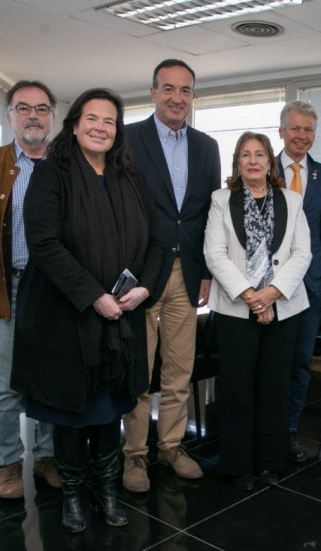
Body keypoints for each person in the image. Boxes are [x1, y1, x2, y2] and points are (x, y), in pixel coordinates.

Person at [10, 88, 163, 532]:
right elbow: (44, 244)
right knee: (73, 414)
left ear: (118, 132)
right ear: (74, 124)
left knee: (110, 409)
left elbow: (156, 241)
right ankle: (74, 495)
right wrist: (94, 295)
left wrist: (145, 288)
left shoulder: (130, 177)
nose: (101, 127)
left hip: (123, 320)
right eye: (92, 118)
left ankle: (108, 489)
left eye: (110, 121)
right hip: (68, 316)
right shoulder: (51, 173)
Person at [122, 59, 220, 493]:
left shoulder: (207, 146)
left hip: (188, 271)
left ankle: (172, 446)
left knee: (179, 370)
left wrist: (207, 273)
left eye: (185, 90)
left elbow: (208, 215)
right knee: (139, 371)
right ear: (153, 92)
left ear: (193, 96)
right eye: (168, 89)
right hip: (142, 270)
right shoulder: (127, 139)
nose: (177, 97)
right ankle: (135, 456)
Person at [204, 132, 312, 490]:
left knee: (274, 385)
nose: (253, 160)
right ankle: (237, 465)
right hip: (238, 307)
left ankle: (270, 462)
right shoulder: (221, 200)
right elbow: (214, 254)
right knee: (237, 387)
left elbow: (302, 253)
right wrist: (251, 295)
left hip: (283, 306)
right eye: (245, 154)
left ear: (270, 162)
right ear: (237, 162)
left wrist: (272, 294)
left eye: (260, 154)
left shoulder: (292, 200)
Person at [0, 80, 60, 499]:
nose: (33, 116)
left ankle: (46, 456)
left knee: (49, 376)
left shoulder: (66, 165)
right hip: (6, 288)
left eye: (42, 109)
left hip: (53, 291)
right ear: (9, 116)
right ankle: (9, 465)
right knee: (6, 383)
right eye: (23, 108)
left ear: (53, 117)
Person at [276, 101, 321, 463]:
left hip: (311, 286)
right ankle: (264, 429)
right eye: (296, 128)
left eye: (308, 130)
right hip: (267, 287)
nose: (302, 136)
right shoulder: (262, 167)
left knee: (301, 363)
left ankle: (288, 432)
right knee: (272, 364)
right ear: (282, 131)